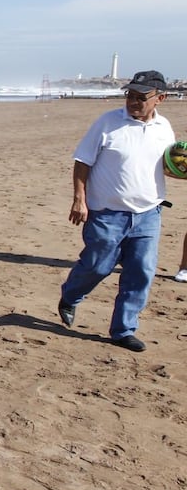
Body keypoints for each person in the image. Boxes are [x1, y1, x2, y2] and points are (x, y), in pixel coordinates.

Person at [57, 70, 177, 353]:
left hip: (148, 213)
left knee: (141, 272)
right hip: (106, 213)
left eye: (141, 97)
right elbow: (82, 161)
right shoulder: (108, 122)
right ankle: (70, 296)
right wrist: (79, 199)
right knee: (98, 266)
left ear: (160, 98)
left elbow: (166, 167)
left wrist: (179, 172)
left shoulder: (164, 128)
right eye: (130, 95)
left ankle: (123, 330)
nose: (133, 101)